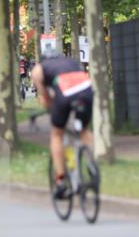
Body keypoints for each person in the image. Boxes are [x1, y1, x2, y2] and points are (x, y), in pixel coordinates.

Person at [31, 48, 93, 199]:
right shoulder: (71, 61)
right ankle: (93, 166)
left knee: (57, 134)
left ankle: (60, 182)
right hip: (86, 91)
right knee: (84, 130)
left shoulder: (39, 69)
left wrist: (50, 109)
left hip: (65, 94)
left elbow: (45, 98)